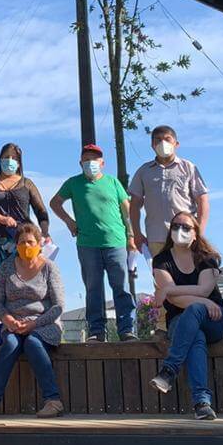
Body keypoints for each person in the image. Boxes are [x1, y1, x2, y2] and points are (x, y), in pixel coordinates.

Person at [50, 143, 138, 343]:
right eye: (87, 159)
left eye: (95, 159)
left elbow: (128, 210)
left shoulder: (113, 182)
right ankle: (97, 331)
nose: (91, 163)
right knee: (93, 288)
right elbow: (55, 202)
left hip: (115, 242)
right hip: (87, 243)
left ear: (103, 163)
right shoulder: (73, 183)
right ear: (81, 163)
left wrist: (131, 236)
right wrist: (69, 221)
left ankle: (127, 329)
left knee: (121, 287)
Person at [147, 211, 223, 419]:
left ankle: (168, 370)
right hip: (180, 321)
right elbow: (178, 301)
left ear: (195, 233)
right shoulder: (161, 260)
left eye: (186, 227)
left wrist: (168, 290)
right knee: (196, 337)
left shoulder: (207, 258)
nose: (180, 231)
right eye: (175, 226)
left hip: (215, 318)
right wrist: (204, 301)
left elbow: (203, 289)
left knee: (194, 311)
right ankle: (202, 403)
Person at [0, 223, 65, 418]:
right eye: (21, 242)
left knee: (33, 343)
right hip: (14, 324)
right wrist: (8, 320)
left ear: (39, 244)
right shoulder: (6, 267)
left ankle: (53, 400)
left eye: (30, 242)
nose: (26, 246)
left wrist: (35, 324)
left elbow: (58, 306)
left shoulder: (50, 268)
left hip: (44, 324)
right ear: (16, 245)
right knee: (9, 344)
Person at [0, 142, 50, 347]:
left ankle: (20, 324)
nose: (10, 161)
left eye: (14, 158)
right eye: (6, 157)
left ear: (19, 162)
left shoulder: (27, 183)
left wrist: (45, 231)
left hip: (21, 241)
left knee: (20, 280)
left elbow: (42, 211)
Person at [129, 125, 209, 257]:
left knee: (187, 275)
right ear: (152, 145)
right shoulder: (144, 171)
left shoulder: (188, 168)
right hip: (156, 236)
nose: (163, 143)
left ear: (176, 144)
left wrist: (199, 231)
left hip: (185, 233)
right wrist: (136, 234)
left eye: (167, 139)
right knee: (160, 276)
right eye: (158, 140)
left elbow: (203, 200)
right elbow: (134, 204)